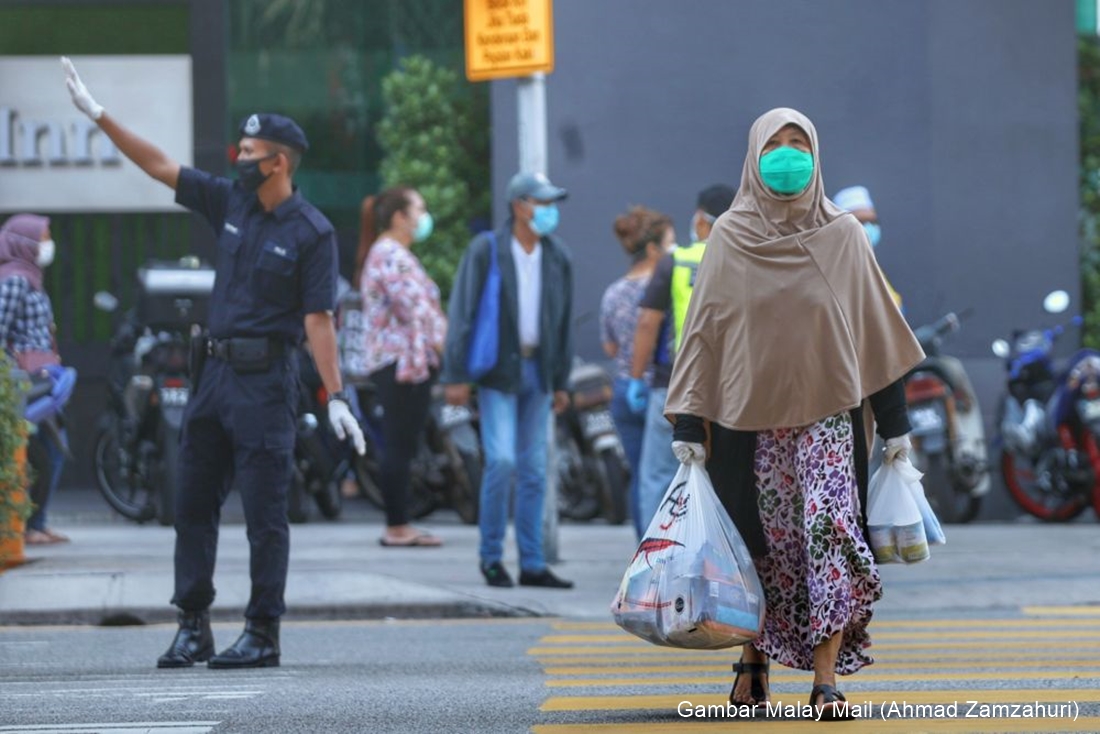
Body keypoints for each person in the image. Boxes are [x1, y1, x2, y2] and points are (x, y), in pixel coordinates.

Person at [62, 57, 365, 669]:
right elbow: (156, 164)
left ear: (278, 161)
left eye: (250, 150)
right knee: (191, 506)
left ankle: (262, 631)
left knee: (264, 515)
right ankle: (192, 624)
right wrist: (99, 116)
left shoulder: (311, 231)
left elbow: (318, 322)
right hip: (214, 376)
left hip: (265, 381)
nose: (239, 157)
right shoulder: (231, 201)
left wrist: (335, 396)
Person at [664, 108, 924, 719]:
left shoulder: (843, 235)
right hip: (745, 422)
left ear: (816, 154)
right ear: (753, 155)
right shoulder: (728, 236)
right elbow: (704, 334)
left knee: (829, 536)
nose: (787, 156)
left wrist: (895, 429)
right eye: (775, 145)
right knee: (758, 548)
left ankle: (826, 681)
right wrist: (687, 424)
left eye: (797, 144)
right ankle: (753, 663)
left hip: (828, 420)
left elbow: (874, 335)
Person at [441, 171, 574, 589]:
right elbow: (462, 310)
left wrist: (562, 380)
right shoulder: (487, 250)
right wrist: (455, 373)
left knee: (535, 469)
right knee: (501, 461)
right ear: (519, 205)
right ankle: (491, 557)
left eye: (552, 203)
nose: (550, 211)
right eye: (542, 202)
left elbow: (564, 321)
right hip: (499, 370)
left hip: (540, 371)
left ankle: (533, 563)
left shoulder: (557, 256)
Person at [835, 184, 990, 500]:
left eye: (871, 220)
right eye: (859, 220)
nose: (867, 228)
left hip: (892, 367)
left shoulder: (875, 271)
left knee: (951, 373)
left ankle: (968, 458)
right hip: (857, 376)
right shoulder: (834, 268)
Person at [629, 184, 735, 534]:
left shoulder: (674, 261)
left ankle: (653, 559)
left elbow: (647, 322)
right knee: (723, 476)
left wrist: (635, 378)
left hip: (674, 385)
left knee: (659, 474)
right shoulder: (744, 260)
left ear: (701, 221)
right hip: (730, 389)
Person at [354, 187, 447, 547]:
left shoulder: (392, 254)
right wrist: (446, 347)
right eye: (419, 209)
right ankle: (397, 525)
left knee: (402, 443)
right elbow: (416, 310)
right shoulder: (390, 255)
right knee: (398, 444)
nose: (424, 217)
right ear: (399, 217)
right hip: (400, 364)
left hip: (404, 363)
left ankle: (401, 522)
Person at [600, 206, 674, 539]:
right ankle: (665, 555)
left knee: (641, 477)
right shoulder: (668, 285)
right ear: (654, 248)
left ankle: (641, 555)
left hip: (625, 392)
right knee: (664, 477)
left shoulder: (614, 291)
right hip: (661, 391)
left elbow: (610, 347)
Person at [0, 214, 69, 546]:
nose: (47, 243)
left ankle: (36, 523)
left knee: (50, 451)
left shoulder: (32, 277)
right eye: (43, 236)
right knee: (42, 452)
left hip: (43, 377)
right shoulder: (15, 280)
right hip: (25, 382)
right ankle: (28, 525)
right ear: (23, 243)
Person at [832, 185, 902, 309]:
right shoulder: (837, 271)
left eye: (873, 221)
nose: (869, 227)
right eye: (861, 222)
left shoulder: (870, 264)